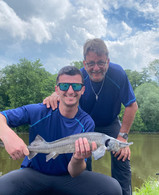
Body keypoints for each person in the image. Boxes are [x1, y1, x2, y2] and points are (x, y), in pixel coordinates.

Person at [0, 66, 122, 195]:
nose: (70, 91)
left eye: (76, 86)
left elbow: (74, 171)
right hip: (33, 174)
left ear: (83, 90)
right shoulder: (38, 111)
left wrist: (77, 158)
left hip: (68, 178)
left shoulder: (87, 122)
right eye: (64, 86)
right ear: (57, 89)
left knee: (112, 188)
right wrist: (7, 135)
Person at [43, 39, 138, 195]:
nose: (96, 68)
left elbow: (131, 105)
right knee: (81, 160)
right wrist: (55, 95)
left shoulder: (118, 73)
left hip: (110, 123)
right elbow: (66, 89)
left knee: (122, 154)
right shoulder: (79, 77)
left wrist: (123, 137)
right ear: (84, 63)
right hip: (85, 125)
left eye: (101, 63)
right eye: (91, 63)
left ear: (108, 61)